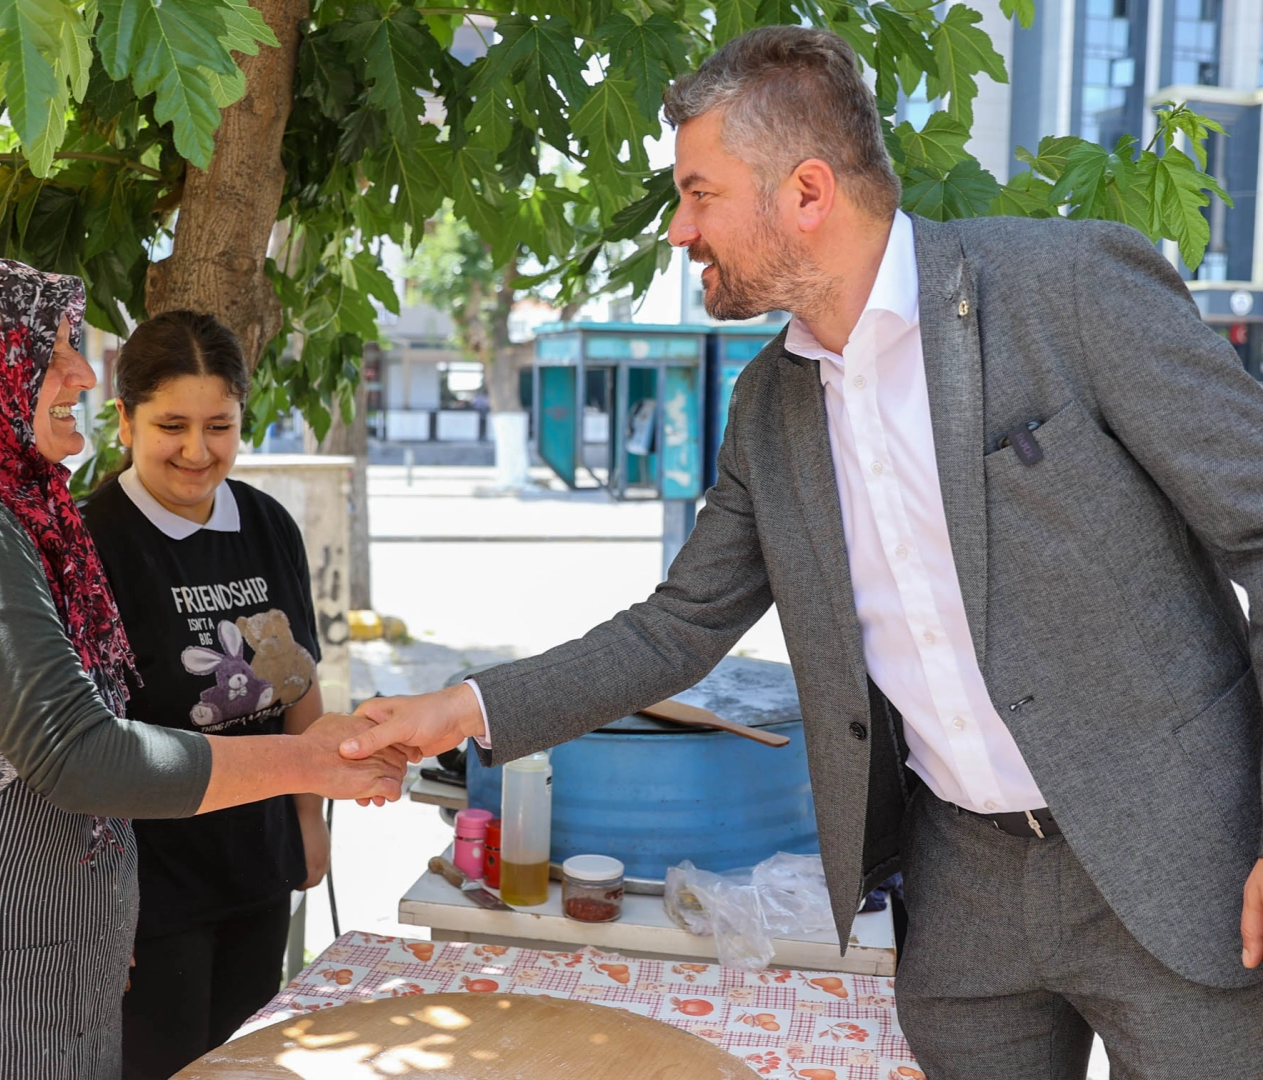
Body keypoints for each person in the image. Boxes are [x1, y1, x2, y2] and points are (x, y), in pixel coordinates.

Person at [339, 26, 1263, 1080]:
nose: (680, 232)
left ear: (808, 192)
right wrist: (452, 715)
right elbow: (675, 628)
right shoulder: (769, 405)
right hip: (968, 897)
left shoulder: (1070, 290)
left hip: (1181, 865)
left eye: (700, 193)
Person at [0, 259, 405, 1080]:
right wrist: (313, 762)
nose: (83, 373)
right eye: (50, 353)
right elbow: (78, 753)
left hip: (23, 963)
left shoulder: (10, 519)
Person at [78, 311, 330, 1075]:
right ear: (124, 420)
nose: (197, 450)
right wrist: (97, 909)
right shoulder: (91, 541)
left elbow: (300, 685)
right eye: (172, 425)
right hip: (150, 888)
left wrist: (309, 821)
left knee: (246, 1063)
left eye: (219, 425)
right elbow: (78, 744)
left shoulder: (267, 522)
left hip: (260, 865)